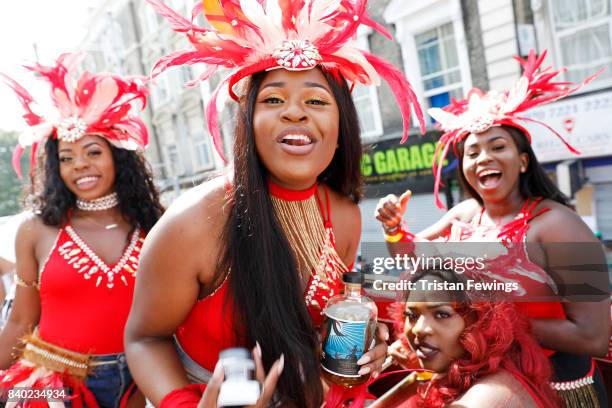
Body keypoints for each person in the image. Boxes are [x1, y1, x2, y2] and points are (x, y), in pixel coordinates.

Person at [124, 1, 425, 407]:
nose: (295, 113)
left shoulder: (345, 215)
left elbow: (328, 325)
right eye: (273, 100)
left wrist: (362, 345)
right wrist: (183, 403)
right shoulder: (195, 222)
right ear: (248, 123)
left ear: (340, 130)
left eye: (316, 101)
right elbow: (144, 337)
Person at [376, 50, 610, 407]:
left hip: (551, 383)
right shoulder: (466, 214)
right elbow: (410, 257)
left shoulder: (558, 225)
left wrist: (484, 322)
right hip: (478, 369)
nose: (483, 158)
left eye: (497, 146)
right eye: (472, 152)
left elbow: (593, 337)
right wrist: (394, 228)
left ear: (523, 160)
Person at [0, 53, 163, 407]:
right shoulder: (35, 230)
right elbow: (21, 322)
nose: (80, 166)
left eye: (92, 152)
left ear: (117, 157)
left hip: (145, 383)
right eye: (67, 158)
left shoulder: (155, 223)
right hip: (59, 388)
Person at [379, 268, 560, 408]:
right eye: (412, 315)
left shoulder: (485, 397)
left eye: (442, 315)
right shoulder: (461, 371)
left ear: (481, 321)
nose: (419, 329)